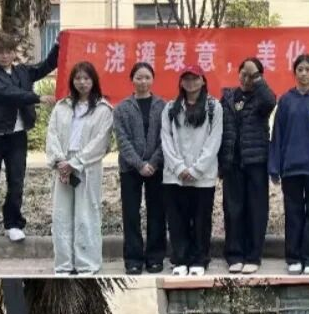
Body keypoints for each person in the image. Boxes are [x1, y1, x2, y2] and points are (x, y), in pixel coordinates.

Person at [0, 31, 59, 253]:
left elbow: (46, 66)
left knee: (16, 182)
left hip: (17, 136)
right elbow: (7, 93)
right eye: (0, 52)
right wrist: (37, 98)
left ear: (14, 53)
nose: (4, 56)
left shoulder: (22, 72)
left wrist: (59, 45)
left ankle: (13, 224)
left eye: (8, 52)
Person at [45, 61, 113, 275]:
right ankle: (64, 264)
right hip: (63, 164)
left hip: (87, 167)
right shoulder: (62, 106)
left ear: (94, 81)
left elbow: (101, 141)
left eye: (86, 78)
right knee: (62, 214)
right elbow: (52, 134)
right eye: (78, 78)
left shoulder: (103, 109)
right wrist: (60, 162)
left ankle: (86, 264)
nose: (82, 82)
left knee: (86, 214)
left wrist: (75, 163)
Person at [268, 54, 309, 276]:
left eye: (308, 69)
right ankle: (294, 257)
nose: (304, 74)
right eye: (300, 69)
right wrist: (275, 166)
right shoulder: (286, 100)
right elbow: (277, 134)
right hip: (291, 168)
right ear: (294, 73)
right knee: (293, 213)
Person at [161, 66, 223, 278]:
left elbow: (214, 140)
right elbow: (166, 139)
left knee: (201, 219)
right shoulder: (170, 108)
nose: (191, 82)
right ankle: (180, 259)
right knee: (177, 219)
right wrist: (179, 167)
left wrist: (196, 169)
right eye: (186, 79)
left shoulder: (214, 107)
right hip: (174, 176)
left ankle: (199, 259)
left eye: (195, 78)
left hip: (203, 176)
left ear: (203, 81)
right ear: (181, 82)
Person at [219, 58, 276, 275]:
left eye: (251, 75)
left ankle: (253, 256)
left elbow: (270, 101)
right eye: (243, 73)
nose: (246, 79)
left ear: (259, 77)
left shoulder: (261, 98)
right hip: (232, 162)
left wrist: (257, 79)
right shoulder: (227, 98)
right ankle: (235, 255)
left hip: (255, 162)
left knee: (256, 209)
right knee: (233, 210)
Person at [113, 62, 167, 275]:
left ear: (152, 80)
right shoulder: (122, 108)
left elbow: (166, 138)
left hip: (156, 167)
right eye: (139, 77)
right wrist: (139, 164)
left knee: (157, 213)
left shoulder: (163, 106)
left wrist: (153, 162)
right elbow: (122, 139)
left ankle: (155, 257)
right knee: (131, 214)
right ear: (132, 80)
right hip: (130, 168)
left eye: (147, 77)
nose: (143, 81)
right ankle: (133, 259)